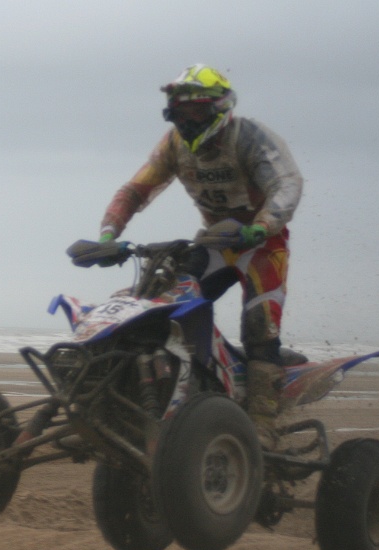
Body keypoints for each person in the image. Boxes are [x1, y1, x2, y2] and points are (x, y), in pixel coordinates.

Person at [98, 64, 303, 446]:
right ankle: (175, 388)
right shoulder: (173, 144)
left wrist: (262, 225)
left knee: (260, 328)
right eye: (180, 112)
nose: (188, 120)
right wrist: (109, 233)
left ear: (219, 109)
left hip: (262, 244)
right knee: (161, 305)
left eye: (196, 111)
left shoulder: (250, 137)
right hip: (213, 242)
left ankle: (261, 424)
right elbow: (135, 190)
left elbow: (286, 183)